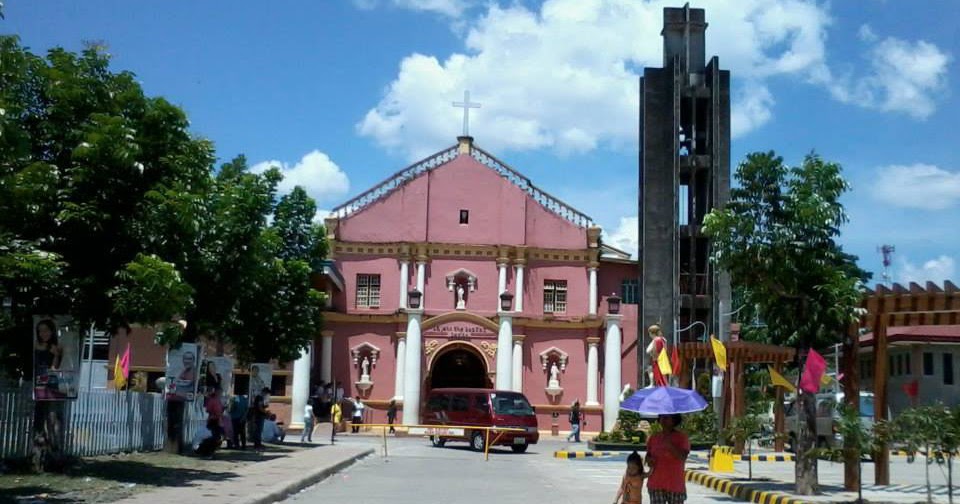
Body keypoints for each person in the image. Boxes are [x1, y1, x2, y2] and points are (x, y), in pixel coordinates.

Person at [646, 414, 690, 504]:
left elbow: (683, 457)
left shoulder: (682, 438)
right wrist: (649, 461)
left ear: (674, 420)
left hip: (675, 484)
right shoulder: (654, 438)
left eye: (666, 417)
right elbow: (648, 456)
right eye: (662, 417)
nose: (663, 419)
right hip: (656, 483)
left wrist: (670, 446)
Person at [34, 319, 62, 399]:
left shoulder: (55, 347)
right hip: (37, 377)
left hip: (48, 378)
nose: (43, 334)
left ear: (52, 331)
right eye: (40, 331)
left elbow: (54, 368)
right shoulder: (36, 345)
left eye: (46, 330)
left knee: (49, 404)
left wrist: (56, 355)